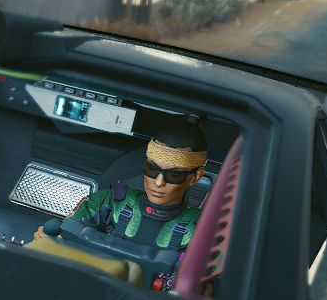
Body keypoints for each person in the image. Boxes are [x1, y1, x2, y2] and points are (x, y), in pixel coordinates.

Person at [32, 122, 207, 290]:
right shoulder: (107, 203)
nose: (159, 182)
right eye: (152, 168)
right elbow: (60, 239)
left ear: (196, 176)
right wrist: (49, 240)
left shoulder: (202, 230)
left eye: (175, 174)